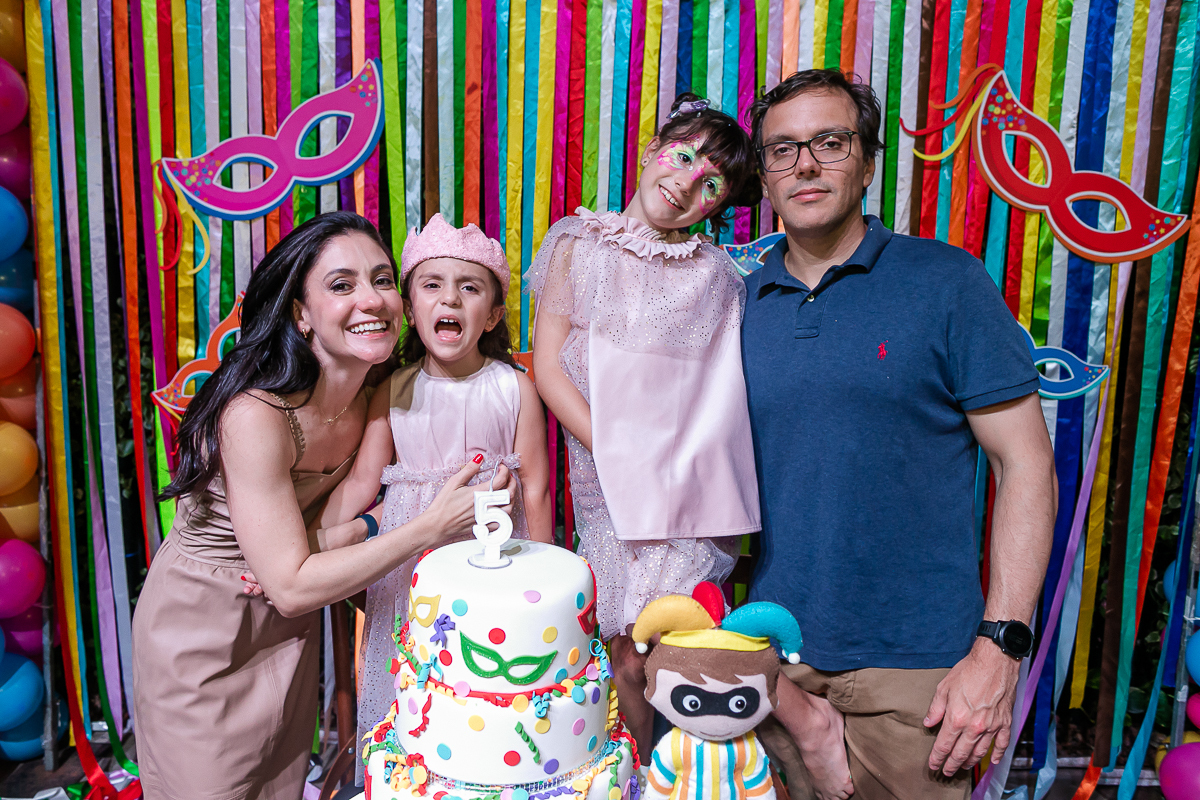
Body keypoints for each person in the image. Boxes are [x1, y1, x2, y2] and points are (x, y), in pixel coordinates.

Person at [742, 69, 1057, 800]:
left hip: (921, 672)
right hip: (771, 658)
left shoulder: (946, 283)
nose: (806, 164)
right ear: (762, 175)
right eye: (783, 150)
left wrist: (999, 649)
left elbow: (1026, 467)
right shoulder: (736, 296)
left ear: (868, 158)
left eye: (829, 141)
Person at [132, 212, 513, 800]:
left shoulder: (375, 394)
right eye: (341, 285)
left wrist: (369, 525)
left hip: (288, 625)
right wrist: (425, 525)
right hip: (202, 623)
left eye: (383, 279)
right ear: (300, 314)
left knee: (276, 783)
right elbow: (290, 583)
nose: (372, 299)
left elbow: (318, 540)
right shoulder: (255, 414)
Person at [528, 92, 763, 754]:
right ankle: (643, 770)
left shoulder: (717, 274)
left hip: (687, 485)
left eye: (710, 182)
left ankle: (685, 771)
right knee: (622, 647)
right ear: (650, 152)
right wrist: (619, 451)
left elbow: (715, 393)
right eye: (682, 156)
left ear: (719, 205)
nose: (686, 181)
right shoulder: (579, 244)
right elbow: (548, 369)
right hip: (608, 479)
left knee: (671, 642)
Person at [309, 212, 554, 771]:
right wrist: (309, 543)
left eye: (469, 288)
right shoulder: (391, 389)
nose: (450, 299)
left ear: (492, 314)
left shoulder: (515, 387)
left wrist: (545, 580)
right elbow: (362, 484)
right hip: (409, 567)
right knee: (416, 683)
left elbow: (536, 490)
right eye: (432, 285)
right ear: (411, 308)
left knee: (489, 683)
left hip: (497, 558)